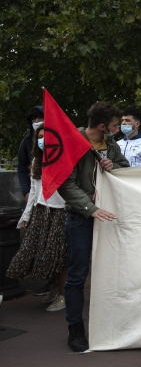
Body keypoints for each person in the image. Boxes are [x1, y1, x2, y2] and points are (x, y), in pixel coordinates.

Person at [57, 102, 130, 352]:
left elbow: (125, 168)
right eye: (114, 125)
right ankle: (75, 328)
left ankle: (110, 322)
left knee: (112, 270)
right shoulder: (72, 142)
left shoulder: (111, 145)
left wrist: (115, 167)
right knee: (77, 275)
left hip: (106, 214)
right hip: (81, 218)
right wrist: (91, 209)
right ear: (102, 126)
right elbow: (65, 184)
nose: (118, 129)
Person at [6, 124, 68, 312]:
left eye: (46, 137)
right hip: (41, 211)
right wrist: (27, 215)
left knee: (59, 256)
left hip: (60, 211)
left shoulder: (63, 159)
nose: (42, 140)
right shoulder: (36, 161)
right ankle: (55, 288)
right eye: (39, 136)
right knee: (42, 254)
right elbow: (33, 190)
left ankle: (63, 296)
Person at [16, 105, 53, 297]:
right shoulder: (26, 142)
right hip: (36, 199)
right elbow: (23, 169)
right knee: (39, 244)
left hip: (55, 200)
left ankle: (57, 285)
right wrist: (26, 193)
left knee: (54, 245)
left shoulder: (56, 140)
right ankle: (49, 282)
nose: (37, 122)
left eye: (40, 117)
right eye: (34, 119)